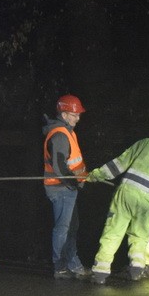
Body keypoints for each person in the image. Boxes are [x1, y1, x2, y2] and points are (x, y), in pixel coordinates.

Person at [87, 127, 149, 284]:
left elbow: (119, 164)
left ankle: (100, 273)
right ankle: (136, 270)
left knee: (113, 232)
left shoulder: (146, 143)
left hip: (127, 194)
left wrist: (96, 175)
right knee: (139, 235)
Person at [43, 94, 91, 280]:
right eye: (74, 114)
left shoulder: (68, 132)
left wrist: (79, 180)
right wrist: (74, 181)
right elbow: (60, 166)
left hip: (69, 189)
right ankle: (61, 266)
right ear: (64, 114)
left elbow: (72, 163)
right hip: (61, 189)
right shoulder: (60, 135)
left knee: (71, 227)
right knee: (63, 228)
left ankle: (72, 264)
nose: (78, 118)